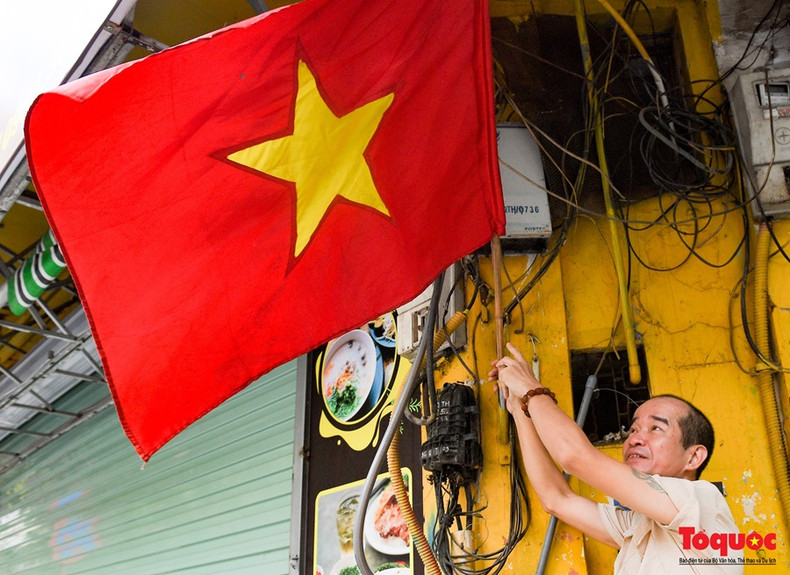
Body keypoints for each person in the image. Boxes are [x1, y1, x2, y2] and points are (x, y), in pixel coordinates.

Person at [489, 342, 743, 574]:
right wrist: (519, 408)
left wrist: (531, 389)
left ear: (694, 457)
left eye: (656, 428)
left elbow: (574, 456)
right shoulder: (639, 526)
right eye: (633, 429)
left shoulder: (700, 502)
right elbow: (557, 498)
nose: (635, 439)